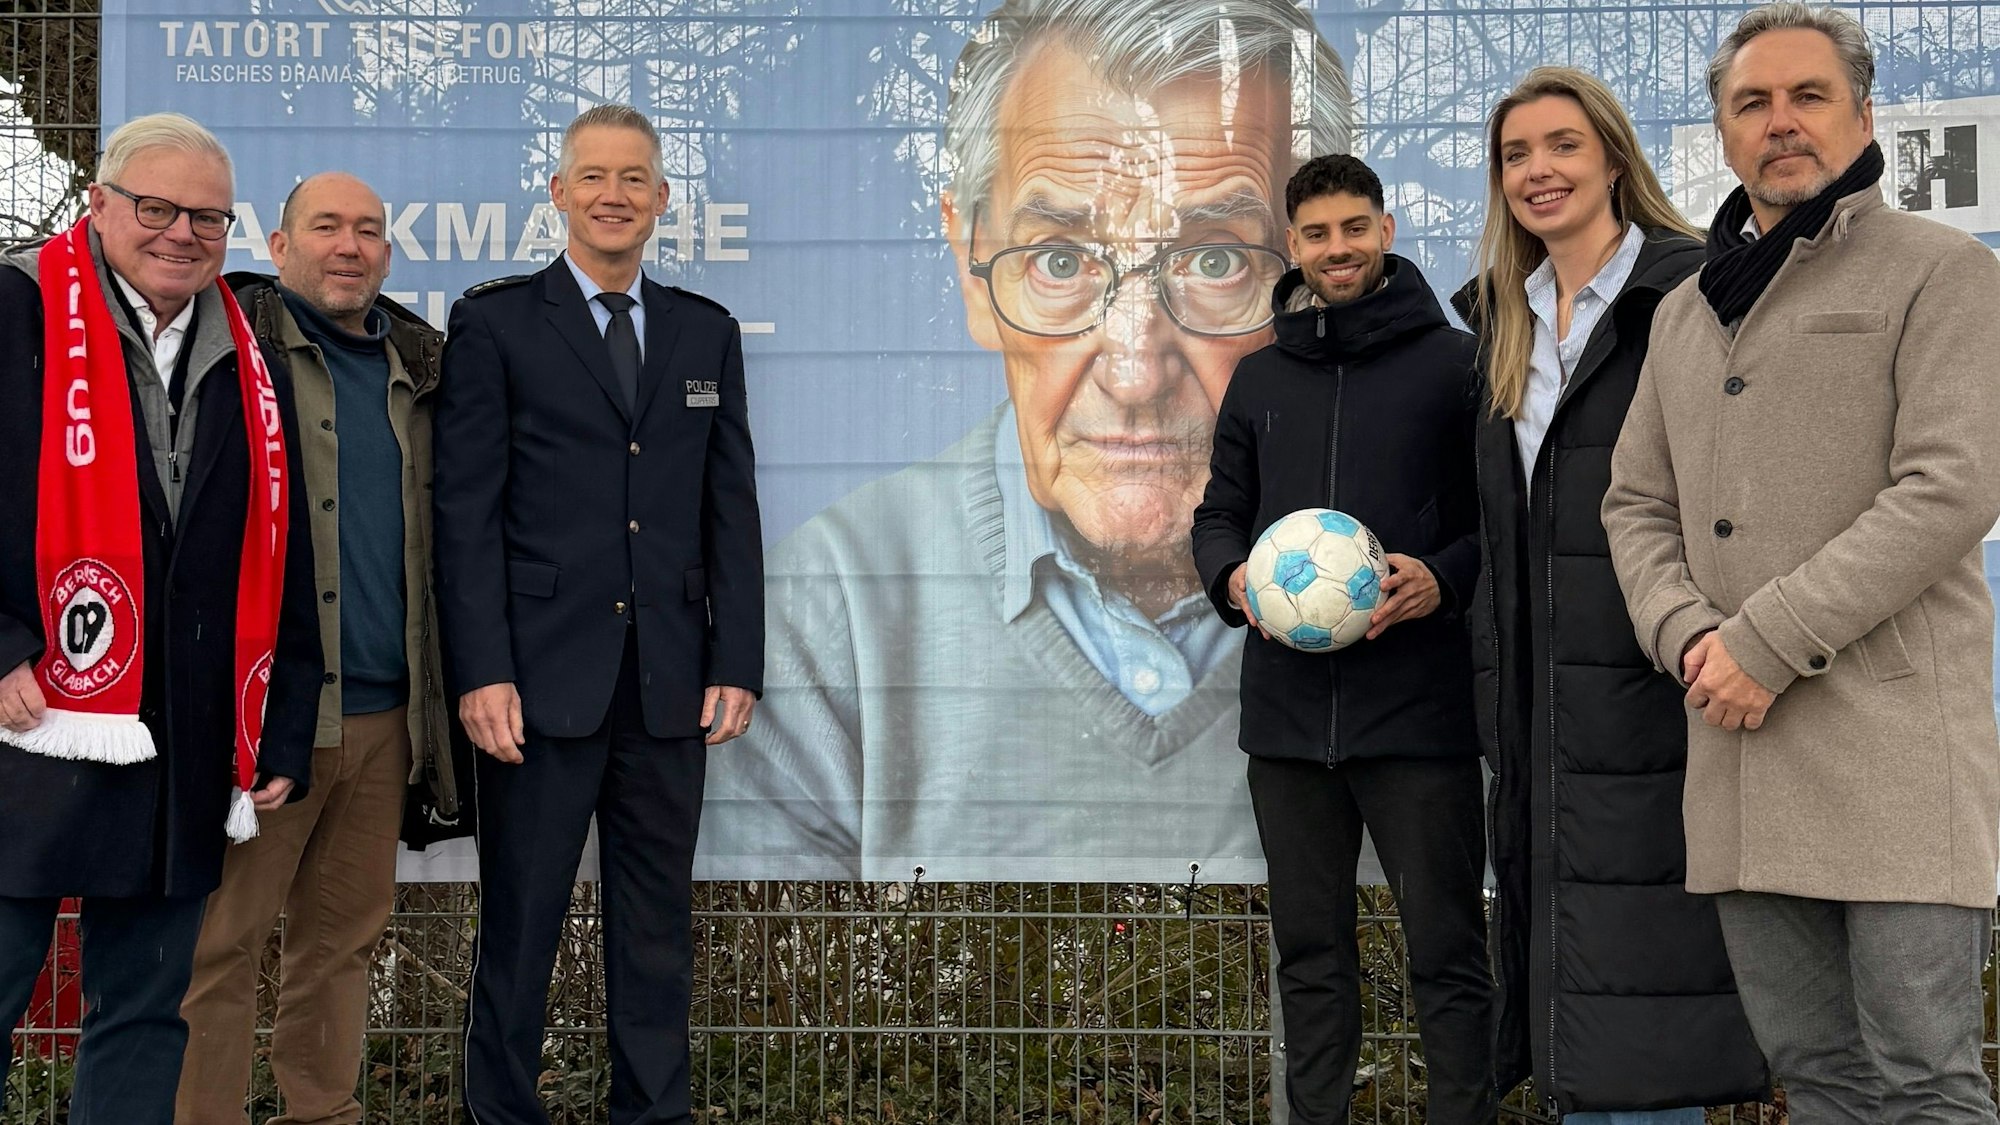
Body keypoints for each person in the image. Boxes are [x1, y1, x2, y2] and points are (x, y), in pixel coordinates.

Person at [708, 0, 1354, 883]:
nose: (1134, 371)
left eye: (1216, 260)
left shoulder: (1390, 574)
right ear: (971, 258)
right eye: (1061, 260)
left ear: (1313, 275)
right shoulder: (827, 613)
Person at [1603, 5, 2000, 1121]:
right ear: (1722, 136)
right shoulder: (1684, 312)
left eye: (1807, 95)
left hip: (1893, 767)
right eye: (1751, 104)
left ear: (1861, 115)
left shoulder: (1942, 272)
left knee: (1925, 1084)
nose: (1780, 123)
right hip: (1736, 759)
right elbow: (1634, 501)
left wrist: (1760, 643)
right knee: (1820, 1081)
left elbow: (1948, 489)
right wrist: (1687, 638)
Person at [434, 103, 763, 1125]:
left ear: (662, 200)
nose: (613, 195)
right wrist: (480, 669)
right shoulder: (493, 323)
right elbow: (464, 511)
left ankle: (651, 1112)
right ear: (558, 194)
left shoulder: (704, 329)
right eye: (593, 177)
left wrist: (736, 658)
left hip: (669, 685)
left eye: (634, 179)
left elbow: (729, 506)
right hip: (534, 685)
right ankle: (500, 1114)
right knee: (521, 926)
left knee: (656, 930)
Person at [1452, 68, 1767, 1120]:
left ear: (1611, 159)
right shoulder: (1501, 322)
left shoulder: (1694, 293)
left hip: (1659, 694)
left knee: (1646, 1009)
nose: (1536, 172)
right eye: (1513, 155)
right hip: (1540, 716)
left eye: (1560, 146)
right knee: (1574, 1013)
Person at [0, 112, 320, 1124]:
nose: (182, 232)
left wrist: (282, 716)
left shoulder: (253, 349)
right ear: (97, 205)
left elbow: (285, 550)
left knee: (145, 1013)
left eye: (208, 216)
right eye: (156, 208)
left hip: (180, 732)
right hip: (30, 716)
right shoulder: (16, 304)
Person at [1191, 154, 1495, 1125]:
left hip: (1418, 720)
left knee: (1445, 953)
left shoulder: (1456, 366)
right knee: (1309, 959)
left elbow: (1495, 523)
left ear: (1385, 230)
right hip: (1285, 729)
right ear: (1292, 245)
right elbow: (1217, 515)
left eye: (1352, 228)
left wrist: (1439, 577)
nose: (1336, 249)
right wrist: (1228, 575)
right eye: (1316, 234)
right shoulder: (1256, 379)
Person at [174, 171, 460, 1125]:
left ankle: (323, 1112)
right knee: (220, 946)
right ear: (283, 243)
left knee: (342, 945)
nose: (351, 245)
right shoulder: (228, 351)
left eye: (369, 230)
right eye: (327, 226)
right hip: (263, 716)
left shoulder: (422, 371)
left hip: (386, 717)